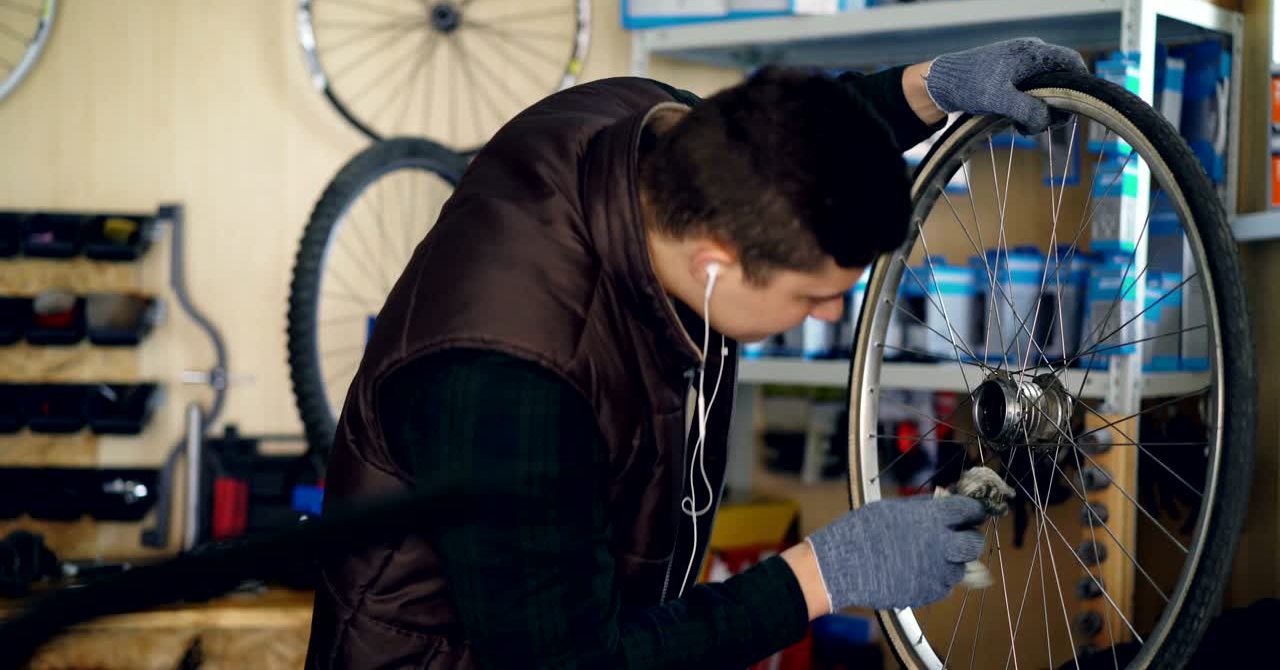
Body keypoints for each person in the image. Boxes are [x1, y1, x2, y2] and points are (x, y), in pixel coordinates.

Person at [304, 37, 1087, 669]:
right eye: (811, 297)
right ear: (715, 262)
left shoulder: (648, 130)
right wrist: (821, 577)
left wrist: (932, 86)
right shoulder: (513, 379)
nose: (830, 313)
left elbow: (784, 148)